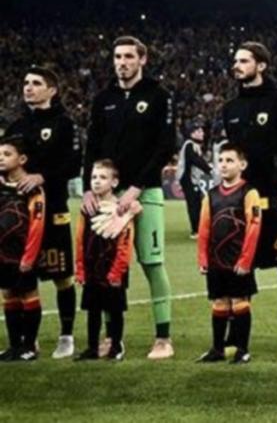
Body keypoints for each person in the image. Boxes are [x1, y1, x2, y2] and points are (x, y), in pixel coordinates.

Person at [82, 36, 176, 360]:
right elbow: (91, 147)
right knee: (108, 265)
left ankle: (163, 338)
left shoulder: (159, 95)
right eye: (117, 57)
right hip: (109, 195)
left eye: (128, 57)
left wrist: (137, 186)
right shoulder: (103, 98)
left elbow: (165, 146)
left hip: (145, 192)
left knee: (152, 262)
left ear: (142, 59)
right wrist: (88, 188)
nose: (122, 62)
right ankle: (113, 338)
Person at [222, 41, 277, 362]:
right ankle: (237, 341)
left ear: (261, 65)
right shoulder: (230, 108)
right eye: (236, 60)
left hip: (274, 203)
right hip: (242, 204)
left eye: (244, 60)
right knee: (240, 271)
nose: (237, 65)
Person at [6, 67, 81, 358]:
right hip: (18, 214)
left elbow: (73, 165)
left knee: (62, 275)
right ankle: (28, 340)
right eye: (26, 82)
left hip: (53, 211)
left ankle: (66, 335)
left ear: (52, 90)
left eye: (36, 83)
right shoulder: (16, 126)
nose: (28, 87)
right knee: (21, 276)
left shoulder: (64, 124)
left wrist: (41, 177)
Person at [196, 143, 261, 365]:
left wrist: (245, 260)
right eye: (221, 160)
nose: (223, 165)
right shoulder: (211, 195)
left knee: (239, 302)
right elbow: (204, 228)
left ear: (242, 165)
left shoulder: (249, 192)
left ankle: (242, 350)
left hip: (238, 261)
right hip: (216, 260)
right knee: (219, 303)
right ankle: (218, 349)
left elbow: (253, 227)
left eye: (230, 160)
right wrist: (203, 258)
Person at [74, 160, 136, 362]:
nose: (97, 181)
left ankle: (116, 346)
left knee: (115, 309)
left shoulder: (121, 209)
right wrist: (80, 268)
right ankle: (92, 347)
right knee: (92, 310)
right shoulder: (87, 209)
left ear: (114, 182)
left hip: (113, 269)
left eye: (102, 177)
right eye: (93, 177)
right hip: (91, 268)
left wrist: (117, 271)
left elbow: (125, 242)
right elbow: (80, 239)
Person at [0, 137, 46, 361]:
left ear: (22, 159)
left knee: (28, 294)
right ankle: (14, 346)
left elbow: (37, 224)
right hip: (3, 254)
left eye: (7, 154)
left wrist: (29, 257)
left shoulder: (32, 189)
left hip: (24, 254)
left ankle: (29, 346)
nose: (1, 158)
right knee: (8, 294)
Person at [177, 121, 212, 240]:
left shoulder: (193, 145)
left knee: (197, 203)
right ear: (192, 134)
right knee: (194, 204)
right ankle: (195, 230)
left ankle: (198, 228)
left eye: (202, 131)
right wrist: (209, 169)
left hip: (191, 179)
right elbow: (195, 160)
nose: (202, 133)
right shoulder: (189, 145)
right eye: (199, 131)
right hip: (188, 179)